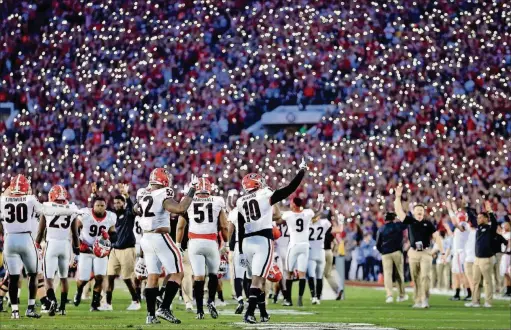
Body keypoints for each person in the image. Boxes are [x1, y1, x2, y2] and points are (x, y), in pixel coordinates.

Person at [237, 158, 308, 323]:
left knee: (259, 279)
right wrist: (302, 171)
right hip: (262, 240)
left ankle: (262, 313)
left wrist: (240, 251)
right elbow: (290, 188)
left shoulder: (240, 201)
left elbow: (240, 228)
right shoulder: (265, 195)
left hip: (246, 242)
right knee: (257, 279)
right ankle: (249, 313)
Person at [0, 175, 80, 319]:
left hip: (9, 240)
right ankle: (31, 308)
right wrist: (69, 210)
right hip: (26, 239)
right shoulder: (30, 199)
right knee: (34, 274)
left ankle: (15, 312)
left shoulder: (2, 199)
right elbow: (46, 210)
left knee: (12, 277)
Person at [135, 168, 197, 324]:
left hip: (146, 238)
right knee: (178, 273)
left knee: (152, 276)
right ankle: (164, 308)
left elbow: (135, 209)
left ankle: (150, 315)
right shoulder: (162, 193)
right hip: (159, 237)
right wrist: (192, 190)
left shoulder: (143, 194)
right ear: (164, 180)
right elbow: (179, 208)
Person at [176, 177, 229, 320]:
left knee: (198, 277)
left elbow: (180, 226)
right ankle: (211, 301)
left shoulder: (188, 201)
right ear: (210, 188)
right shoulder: (218, 201)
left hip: (194, 242)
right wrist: (227, 243)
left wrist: (178, 245)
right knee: (213, 274)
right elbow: (224, 226)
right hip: (211, 241)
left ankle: (199, 310)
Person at [394, 183, 443, 308]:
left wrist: (441, 251)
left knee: (425, 276)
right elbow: (398, 211)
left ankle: (425, 299)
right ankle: (417, 300)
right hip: (413, 252)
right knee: (415, 277)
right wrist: (398, 197)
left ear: (424, 212)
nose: (420, 212)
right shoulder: (410, 221)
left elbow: (437, 236)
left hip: (426, 252)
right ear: (414, 212)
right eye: (417, 210)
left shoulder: (428, 223)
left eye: (421, 210)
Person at [34, 185, 81, 316]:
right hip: (65, 245)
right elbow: (75, 234)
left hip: (52, 244)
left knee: (48, 278)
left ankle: (53, 300)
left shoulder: (47, 207)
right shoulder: (71, 208)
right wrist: (77, 252)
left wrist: (36, 245)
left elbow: (40, 231)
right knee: (64, 277)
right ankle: (63, 308)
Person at [73, 195, 118, 311]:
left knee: (99, 277)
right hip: (86, 250)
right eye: (97, 205)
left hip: (100, 251)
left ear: (106, 206)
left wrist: (109, 237)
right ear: (93, 206)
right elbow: (75, 229)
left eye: (102, 205)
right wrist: (78, 245)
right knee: (83, 279)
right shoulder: (85, 214)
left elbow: (114, 235)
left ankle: (95, 303)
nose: (100, 208)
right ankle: (78, 291)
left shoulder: (110, 217)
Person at [281, 195, 323, 307]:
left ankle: (288, 300)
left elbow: (278, 216)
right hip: (305, 245)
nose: (290, 205)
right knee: (302, 274)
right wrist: (320, 200)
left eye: (291, 203)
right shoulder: (308, 212)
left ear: (294, 204)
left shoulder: (288, 214)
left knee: (289, 273)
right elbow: (319, 211)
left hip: (293, 245)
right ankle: (300, 299)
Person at [104, 184, 140, 311]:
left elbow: (132, 208)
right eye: (115, 203)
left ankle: (136, 301)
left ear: (124, 203)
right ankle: (108, 304)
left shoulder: (128, 214)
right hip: (115, 250)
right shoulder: (113, 216)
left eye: (119, 202)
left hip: (128, 250)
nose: (117, 205)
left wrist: (127, 196)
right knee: (110, 276)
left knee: (126, 278)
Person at [465, 201, 499, 308]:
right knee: (475, 282)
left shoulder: (490, 229)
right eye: (478, 217)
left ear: (486, 218)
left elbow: (495, 223)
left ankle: (488, 302)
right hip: (477, 259)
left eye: (480, 218)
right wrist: (467, 207)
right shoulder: (478, 228)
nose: (478, 219)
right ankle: (475, 301)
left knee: (487, 282)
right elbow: (471, 217)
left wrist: (490, 212)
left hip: (486, 259)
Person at [375, 212, 408, 303]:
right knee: (399, 274)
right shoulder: (398, 226)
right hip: (397, 252)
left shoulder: (381, 229)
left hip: (386, 253)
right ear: (394, 218)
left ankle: (389, 295)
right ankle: (402, 295)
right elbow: (407, 222)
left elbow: (377, 244)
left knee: (387, 275)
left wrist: (382, 251)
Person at [445, 200, 471, 301]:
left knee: (462, 274)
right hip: (457, 252)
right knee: (455, 273)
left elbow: (456, 224)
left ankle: (469, 293)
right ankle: (457, 293)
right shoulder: (461, 225)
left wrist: (449, 209)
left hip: (461, 252)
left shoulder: (464, 225)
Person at [307, 195, 329, 304]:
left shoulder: (307, 224)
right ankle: (319, 297)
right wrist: (321, 203)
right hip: (321, 251)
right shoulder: (324, 223)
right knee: (319, 276)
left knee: (311, 275)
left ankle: (314, 296)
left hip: (311, 251)